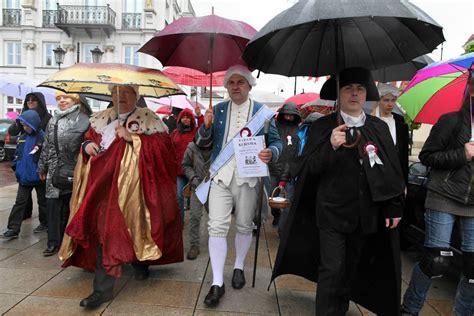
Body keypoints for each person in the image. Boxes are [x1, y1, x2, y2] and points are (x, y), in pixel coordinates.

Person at [273, 67, 406, 315]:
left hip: (366, 214)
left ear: (366, 94)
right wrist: (331, 147)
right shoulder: (324, 126)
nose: (354, 94)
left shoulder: (378, 127)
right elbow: (309, 168)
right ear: (339, 94)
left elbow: (390, 170)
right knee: (331, 269)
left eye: (360, 89)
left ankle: (340, 310)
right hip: (331, 213)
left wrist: (393, 205)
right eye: (348, 88)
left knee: (351, 269)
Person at [57, 84, 183, 309]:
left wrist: (134, 139)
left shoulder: (150, 120)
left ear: (136, 95)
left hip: (137, 192)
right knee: (106, 234)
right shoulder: (100, 119)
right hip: (104, 191)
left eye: (126, 92)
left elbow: (165, 154)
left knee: (137, 229)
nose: (120, 96)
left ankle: (141, 263)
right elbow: (86, 140)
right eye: (116, 92)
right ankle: (101, 291)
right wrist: (87, 146)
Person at [196, 65, 282, 307]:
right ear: (226, 87)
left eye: (240, 82)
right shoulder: (218, 109)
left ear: (249, 85)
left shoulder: (262, 113)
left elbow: (276, 142)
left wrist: (270, 152)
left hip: (249, 177)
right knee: (216, 226)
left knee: (245, 224)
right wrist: (207, 125)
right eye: (231, 82)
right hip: (220, 177)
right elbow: (202, 142)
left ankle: (238, 266)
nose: (235, 86)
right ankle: (216, 282)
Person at [401, 78, 474, 316]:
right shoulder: (450, 121)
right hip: (444, 195)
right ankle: (410, 309)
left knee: (473, 267)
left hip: (472, 203)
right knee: (436, 260)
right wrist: (462, 153)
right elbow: (428, 156)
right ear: (471, 89)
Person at [38, 92, 90, 257]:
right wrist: (42, 167)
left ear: (75, 100)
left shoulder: (84, 119)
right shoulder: (53, 120)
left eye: (66, 98)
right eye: (59, 98)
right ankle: (53, 242)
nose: (62, 101)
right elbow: (46, 146)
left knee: (71, 207)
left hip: (74, 170)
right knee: (52, 208)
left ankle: (70, 242)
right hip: (54, 171)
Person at [8, 92, 52, 225]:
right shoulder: (23, 117)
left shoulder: (47, 118)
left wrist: (44, 167)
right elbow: (13, 132)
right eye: (28, 100)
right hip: (25, 162)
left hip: (38, 164)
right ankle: (17, 223)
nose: (31, 102)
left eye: (34, 100)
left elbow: (48, 146)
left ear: (40, 102)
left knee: (42, 200)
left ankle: (44, 223)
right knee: (22, 200)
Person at [2, 110, 46, 239]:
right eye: (23, 125)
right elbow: (18, 154)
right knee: (19, 203)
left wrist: (43, 170)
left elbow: (46, 155)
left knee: (43, 202)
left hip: (39, 177)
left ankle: (45, 223)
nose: (25, 127)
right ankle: (13, 229)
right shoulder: (22, 137)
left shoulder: (42, 137)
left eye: (27, 125)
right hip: (24, 177)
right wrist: (16, 166)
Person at [268, 102, 301, 233]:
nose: (288, 118)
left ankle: (283, 228)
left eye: (291, 116)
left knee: (288, 200)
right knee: (272, 196)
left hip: (290, 171)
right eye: (286, 115)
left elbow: (295, 153)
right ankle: (276, 215)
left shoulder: (298, 131)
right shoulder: (275, 128)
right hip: (274, 169)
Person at [182, 135, 212, 260]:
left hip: (214, 187)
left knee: (216, 217)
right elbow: (186, 165)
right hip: (197, 187)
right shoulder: (192, 147)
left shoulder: (218, 146)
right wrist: (193, 178)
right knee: (194, 216)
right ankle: (194, 245)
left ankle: (215, 242)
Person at [170, 107, 203, 222]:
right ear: (179, 119)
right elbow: (169, 149)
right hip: (179, 171)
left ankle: (195, 220)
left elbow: (205, 130)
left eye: (188, 118)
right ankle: (180, 221)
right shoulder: (174, 134)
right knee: (179, 196)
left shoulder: (196, 132)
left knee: (195, 197)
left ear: (192, 120)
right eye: (183, 117)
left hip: (194, 171)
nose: (185, 120)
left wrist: (199, 116)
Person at [372, 83, 409, 185]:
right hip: (376, 176)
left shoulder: (401, 124)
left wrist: (405, 183)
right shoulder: (370, 122)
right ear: (378, 101)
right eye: (386, 100)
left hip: (396, 176)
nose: (390, 104)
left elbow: (404, 157)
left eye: (393, 100)